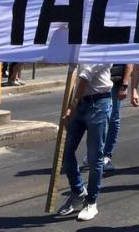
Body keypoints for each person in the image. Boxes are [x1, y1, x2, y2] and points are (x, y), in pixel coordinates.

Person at [56, 64, 114, 221]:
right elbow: (74, 73)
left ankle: (91, 201)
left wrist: (71, 108)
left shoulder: (103, 47)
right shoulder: (80, 46)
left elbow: (84, 77)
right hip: (80, 103)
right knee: (66, 151)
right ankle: (78, 192)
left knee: (95, 156)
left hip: (99, 104)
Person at [101, 64, 132, 172]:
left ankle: (106, 155)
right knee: (99, 120)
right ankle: (95, 153)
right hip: (100, 83)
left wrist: (124, 85)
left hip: (115, 83)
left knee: (113, 119)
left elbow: (129, 62)